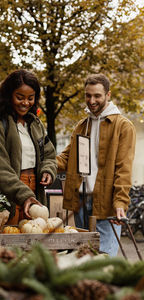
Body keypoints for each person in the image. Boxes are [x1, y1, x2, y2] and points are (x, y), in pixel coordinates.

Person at [56, 73, 136, 256]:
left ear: (108, 95)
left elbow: (124, 169)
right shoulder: (81, 126)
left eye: (97, 96)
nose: (91, 100)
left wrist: (121, 203)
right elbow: (67, 158)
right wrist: (44, 164)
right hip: (81, 200)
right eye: (88, 95)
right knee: (85, 257)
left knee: (103, 258)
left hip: (107, 203)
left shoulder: (123, 126)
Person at [0, 69, 57, 224]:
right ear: (9, 95)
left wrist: (48, 170)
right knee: (9, 239)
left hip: (35, 188)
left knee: (33, 238)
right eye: (20, 97)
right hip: (8, 192)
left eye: (30, 98)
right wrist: (24, 194)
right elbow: (1, 169)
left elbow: (49, 154)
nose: (25, 103)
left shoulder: (36, 124)